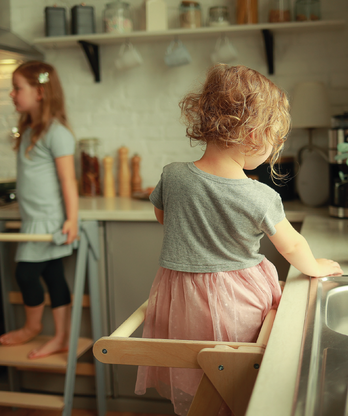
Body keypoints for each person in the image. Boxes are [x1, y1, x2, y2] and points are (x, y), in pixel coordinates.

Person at [135, 64, 343, 416]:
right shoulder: (259, 196)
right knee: (235, 380)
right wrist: (316, 266)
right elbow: (291, 246)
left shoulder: (172, 175)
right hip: (234, 299)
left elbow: (163, 217)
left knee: (200, 379)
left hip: (180, 300)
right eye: (274, 141)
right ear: (253, 135)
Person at [0, 61, 79, 360]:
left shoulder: (56, 133)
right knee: (54, 276)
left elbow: (68, 179)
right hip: (34, 220)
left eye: (18, 88)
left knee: (26, 273)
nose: (12, 94)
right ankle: (60, 336)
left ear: (40, 92)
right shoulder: (29, 129)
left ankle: (33, 327)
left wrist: (71, 219)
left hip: (49, 221)